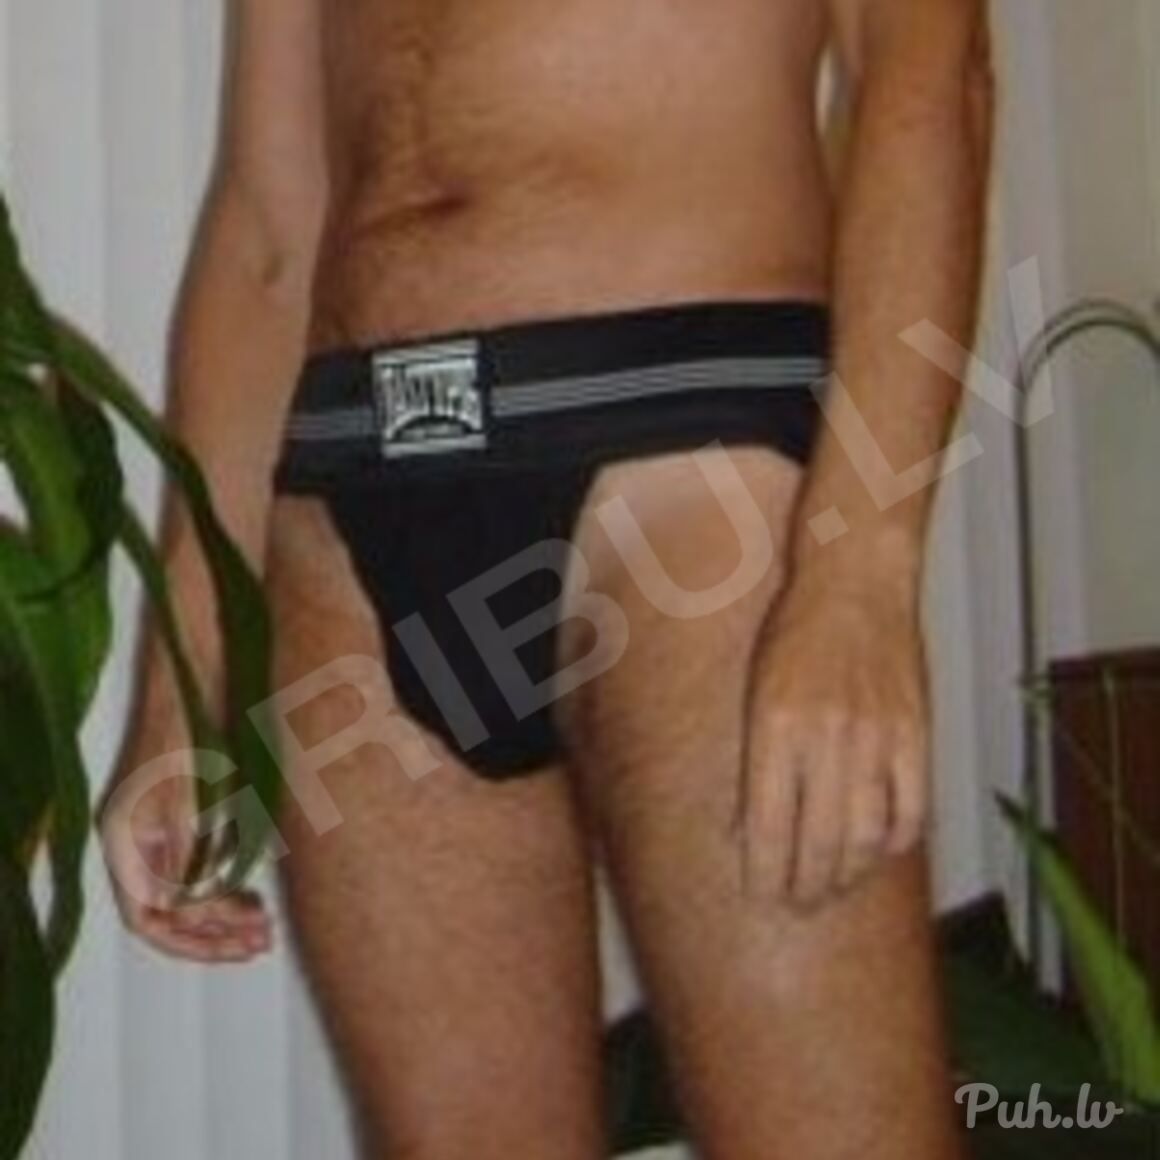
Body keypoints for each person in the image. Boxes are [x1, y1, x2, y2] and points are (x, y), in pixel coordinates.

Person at [100, 0, 994, 1156]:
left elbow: (925, 82)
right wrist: (181, 680)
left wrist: (859, 571)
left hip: (682, 468)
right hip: (351, 498)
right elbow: (269, 223)